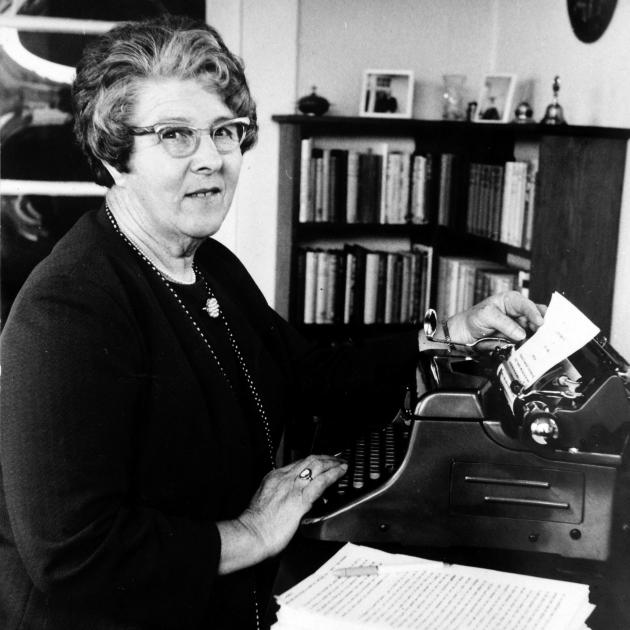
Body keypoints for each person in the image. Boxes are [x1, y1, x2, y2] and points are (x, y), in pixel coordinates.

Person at [0, 15, 545, 630]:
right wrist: (255, 531)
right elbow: (75, 556)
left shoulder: (211, 265)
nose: (211, 159)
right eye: (176, 134)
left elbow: (308, 372)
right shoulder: (68, 313)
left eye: (225, 131)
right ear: (113, 151)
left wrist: (450, 333)